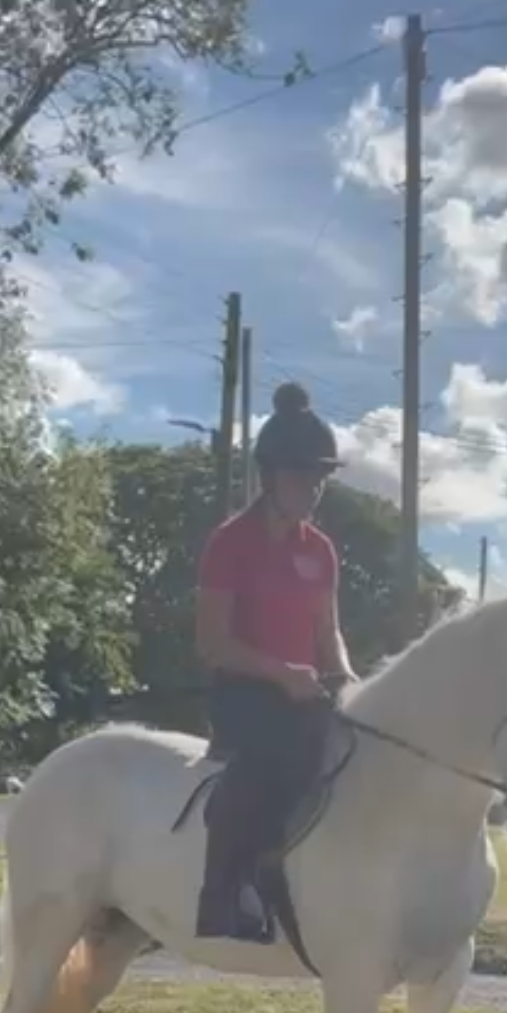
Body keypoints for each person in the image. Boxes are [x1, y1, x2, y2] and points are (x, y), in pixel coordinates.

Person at [194, 382, 356, 941]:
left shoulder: (321, 550)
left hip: (306, 689)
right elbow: (213, 642)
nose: (313, 489)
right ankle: (228, 892)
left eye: (320, 479)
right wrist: (282, 674)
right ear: (270, 476)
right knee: (276, 755)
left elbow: (328, 632)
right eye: (302, 477)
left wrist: (347, 679)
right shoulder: (230, 542)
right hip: (245, 692)